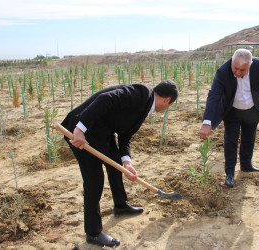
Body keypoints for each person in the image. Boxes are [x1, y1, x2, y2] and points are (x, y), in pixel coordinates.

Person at [61, 80, 178, 247]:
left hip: (102, 131)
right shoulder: (142, 93)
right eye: (170, 105)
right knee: (94, 180)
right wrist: (80, 128)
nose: (167, 108)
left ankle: (120, 205)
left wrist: (127, 162)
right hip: (82, 132)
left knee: (115, 164)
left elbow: (125, 134)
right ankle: (93, 233)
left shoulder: (145, 106)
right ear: (168, 100)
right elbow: (105, 99)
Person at [199, 48, 259, 187]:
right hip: (232, 110)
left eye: (242, 70)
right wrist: (207, 122)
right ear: (232, 62)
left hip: (252, 108)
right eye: (235, 68)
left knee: (249, 138)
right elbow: (214, 95)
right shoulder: (223, 71)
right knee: (231, 141)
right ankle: (230, 174)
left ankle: (246, 164)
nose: (238, 72)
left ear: (250, 64)